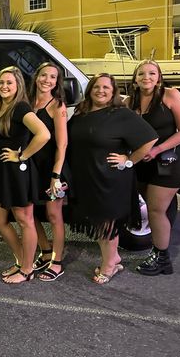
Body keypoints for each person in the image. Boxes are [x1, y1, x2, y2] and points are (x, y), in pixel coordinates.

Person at [67, 73, 157, 284]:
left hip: (110, 178)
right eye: (97, 87)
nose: (101, 91)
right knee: (98, 221)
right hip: (87, 177)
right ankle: (113, 256)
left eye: (106, 87)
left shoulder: (120, 114)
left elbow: (150, 138)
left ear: (113, 92)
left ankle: (109, 264)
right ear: (89, 90)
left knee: (106, 221)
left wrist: (129, 160)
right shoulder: (80, 113)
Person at [0, 67, 50, 283]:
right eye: (1, 83)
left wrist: (22, 156)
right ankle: (22, 260)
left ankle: (27, 269)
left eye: (9, 83)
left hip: (16, 171)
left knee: (24, 219)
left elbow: (44, 134)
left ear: (18, 85)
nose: (4, 86)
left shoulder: (20, 107)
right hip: (0, 171)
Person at [127, 60, 180, 275]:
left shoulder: (170, 95)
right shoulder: (130, 102)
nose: (147, 77)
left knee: (156, 210)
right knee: (158, 208)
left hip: (167, 162)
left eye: (152, 73)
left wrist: (157, 150)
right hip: (142, 164)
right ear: (135, 79)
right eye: (142, 74)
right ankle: (161, 254)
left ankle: (161, 257)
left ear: (159, 77)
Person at [28, 63, 70, 281]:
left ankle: (57, 261)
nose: (47, 80)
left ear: (57, 82)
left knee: (54, 215)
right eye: (44, 75)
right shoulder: (26, 102)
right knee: (29, 213)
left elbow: (62, 145)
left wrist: (56, 175)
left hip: (53, 168)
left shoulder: (57, 106)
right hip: (30, 167)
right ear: (36, 77)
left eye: (53, 77)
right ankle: (45, 251)